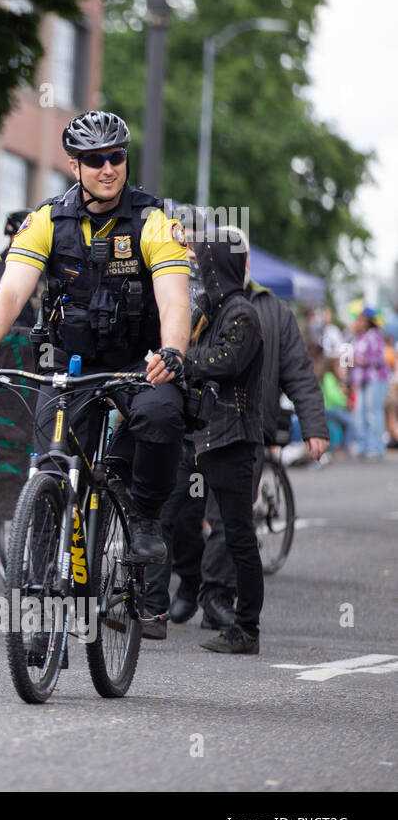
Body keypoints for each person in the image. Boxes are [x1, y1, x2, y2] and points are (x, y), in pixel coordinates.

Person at [0, 111, 192, 634]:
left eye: (117, 157)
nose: (108, 168)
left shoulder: (153, 221)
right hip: (71, 364)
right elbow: (11, 292)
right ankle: (39, 604)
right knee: (51, 472)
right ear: (74, 165)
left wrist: (172, 351)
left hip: (139, 364)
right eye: (95, 160)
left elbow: (175, 298)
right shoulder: (46, 220)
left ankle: (144, 517)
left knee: (160, 418)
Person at [160, 229, 328, 633]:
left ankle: (218, 596)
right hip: (194, 428)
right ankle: (191, 579)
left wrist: (315, 426)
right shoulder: (197, 301)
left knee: (227, 520)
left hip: (241, 428)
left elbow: (299, 374)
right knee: (181, 511)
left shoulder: (271, 310)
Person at [183, 230, 266, 654]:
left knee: (238, 534)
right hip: (213, 439)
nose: (199, 268)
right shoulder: (216, 310)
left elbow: (227, 361)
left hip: (234, 441)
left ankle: (246, 628)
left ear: (219, 265)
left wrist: (183, 358)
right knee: (198, 521)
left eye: (204, 261)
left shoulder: (241, 314)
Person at [349, 307, 390, 460]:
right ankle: (363, 445)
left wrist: (362, 360)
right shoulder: (358, 337)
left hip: (376, 378)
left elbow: (378, 358)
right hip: (362, 380)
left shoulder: (375, 335)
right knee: (360, 413)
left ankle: (376, 447)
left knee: (374, 413)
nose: (358, 322)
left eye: (360, 319)